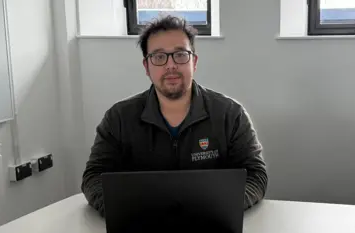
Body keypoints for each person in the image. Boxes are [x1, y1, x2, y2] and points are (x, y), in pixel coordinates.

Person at [81, 15, 268, 217]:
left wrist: (223, 207)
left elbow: (255, 175)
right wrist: (124, 212)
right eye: (159, 57)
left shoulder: (230, 115)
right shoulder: (118, 118)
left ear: (194, 62)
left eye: (180, 55)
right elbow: (94, 177)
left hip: (212, 227)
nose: (170, 65)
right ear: (147, 67)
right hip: (140, 231)